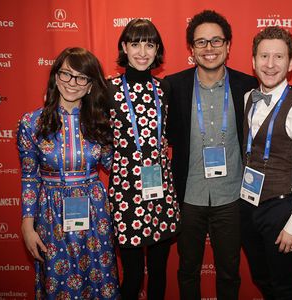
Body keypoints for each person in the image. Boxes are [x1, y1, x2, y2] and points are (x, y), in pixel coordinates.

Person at [165, 10, 258, 300]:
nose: (209, 49)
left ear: (229, 46)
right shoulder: (173, 86)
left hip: (231, 195)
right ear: (191, 49)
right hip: (189, 195)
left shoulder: (248, 87)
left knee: (229, 273)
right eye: (201, 42)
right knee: (188, 271)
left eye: (216, 41)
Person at [17, 47, 119, 299]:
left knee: (100, 279)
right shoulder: (31, 123)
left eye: (81, 77)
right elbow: (30, 177)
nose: (72, 83)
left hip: (95, 212)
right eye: (65, 74)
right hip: (51, 215)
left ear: (90, 85)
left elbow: (115, 165)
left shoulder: (101, 123)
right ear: (55, 77)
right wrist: (27, 226)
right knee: (58, 284)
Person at [240, 26, 292, 299]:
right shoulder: (247, 99)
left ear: (291, 64)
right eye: (264, 56)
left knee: (284, 288)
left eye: (279, 57)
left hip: (281, 210)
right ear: (253, 62)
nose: (270, 64)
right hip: (249, 206)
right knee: (262, 279)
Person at [107, 19, 180, 300]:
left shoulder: (165, 89)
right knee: (134, 275)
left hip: (160, 190)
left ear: (157, 49)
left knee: (159, 273)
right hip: (125, 192)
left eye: (149, 44)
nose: (142, 51)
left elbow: (170, 134)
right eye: (135, 43)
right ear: (124, 47)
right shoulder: (107, 89)